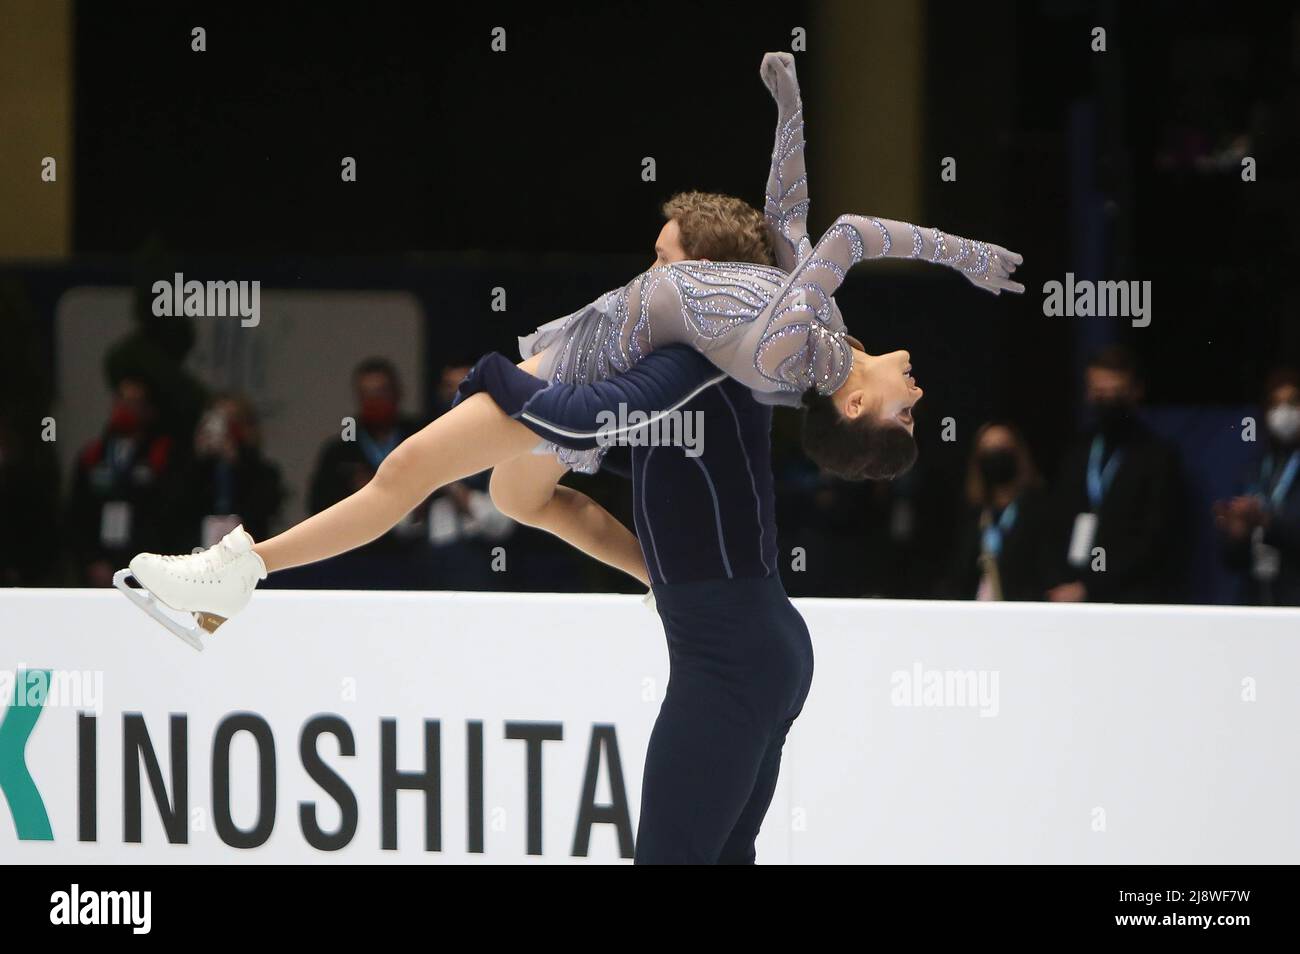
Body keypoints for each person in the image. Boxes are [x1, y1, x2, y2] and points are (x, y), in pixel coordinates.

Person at [119, 51, 1022, 642]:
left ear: (856, 407)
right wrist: (788, 102)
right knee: (525, 503)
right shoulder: (814, 331)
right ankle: (657, 578)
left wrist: (967, 255)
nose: (922, 389)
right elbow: (792, 215)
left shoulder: (795, 357)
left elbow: (851, 234)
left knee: (405, 475)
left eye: (911, 408)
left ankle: (237, 576)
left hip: (581, 369)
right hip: (595, 357)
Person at [1045, 345, 1187, 603]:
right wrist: (1060, 581)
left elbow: (1154, 541)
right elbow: (1055, 522)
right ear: (1088, 393)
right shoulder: (1077, 451)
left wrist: (1091, 587)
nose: (1107, 401)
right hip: (1069, 595)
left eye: (1116, 393)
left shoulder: (1156, 456)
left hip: (1129, 599)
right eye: (1100, 393)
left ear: (1136, 392)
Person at [1215, 367, 1300, 605]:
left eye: (1293, 402)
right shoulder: (1256, 467)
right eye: (1276, 404)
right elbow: (1233, 561)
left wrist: (1267, 521)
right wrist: (1237, 534)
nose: (1284, 412)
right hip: (1257, 599)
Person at [940, 422, 1051, 601]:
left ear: (1018, 453)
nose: (995, 456)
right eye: (988, 450)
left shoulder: (1038, 510)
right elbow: (957, 575)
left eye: (1001, 448)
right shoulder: (973, 514)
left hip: (1023, 612)